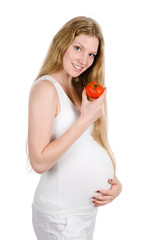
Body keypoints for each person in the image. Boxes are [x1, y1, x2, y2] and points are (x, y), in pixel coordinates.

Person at [27, 16, 122, 240]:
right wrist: (84, 120)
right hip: (60, 217)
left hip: (82, 214)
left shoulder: (80, 88)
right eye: (78, 48)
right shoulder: (46, 88)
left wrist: (114, 185)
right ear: (62, 44)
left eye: (91, 54)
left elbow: (85, 146)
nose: (84, 60)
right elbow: (39, 162)